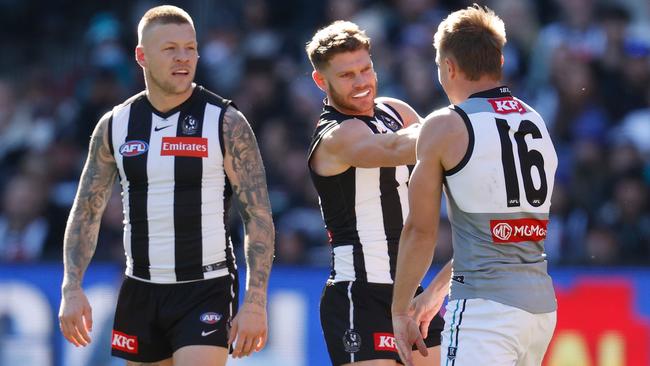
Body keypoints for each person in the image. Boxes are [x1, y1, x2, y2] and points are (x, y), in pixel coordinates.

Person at [58, 5, 275, 366]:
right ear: (142, 56)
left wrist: (255, 300)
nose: (183, 58)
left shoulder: (225, 122)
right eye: (170, 48)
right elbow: (86, 209)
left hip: (206, 287)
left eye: (190, 48)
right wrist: (71, 286)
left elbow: (258, 215)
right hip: (140, 287)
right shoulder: (116, 125)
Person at [391, 5, 558, 366]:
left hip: (485, 311)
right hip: (539, 310)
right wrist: (437, 290)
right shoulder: (535, 120)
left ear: (448, 67)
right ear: (498, 60)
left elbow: (420, 231)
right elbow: (501, 236)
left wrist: (400, 309)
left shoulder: (446, 126)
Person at [305, 20, 444, 366]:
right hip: (359, 294)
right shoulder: (337, 136)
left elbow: (444, 159)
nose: (361, 82)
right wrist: (465, 124)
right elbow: (399, 148)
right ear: (321, 81)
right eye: (347, 75)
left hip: (412, 291)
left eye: (365, 69)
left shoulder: (394, 110)